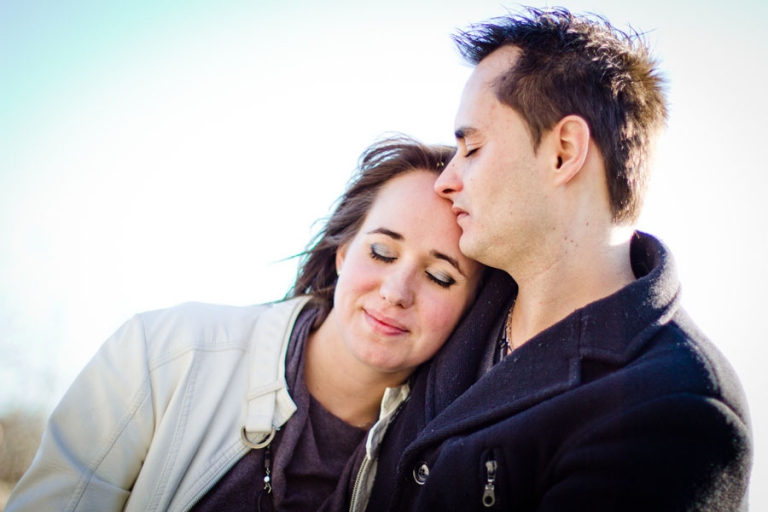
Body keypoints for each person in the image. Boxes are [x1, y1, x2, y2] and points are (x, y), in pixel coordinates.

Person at [367, 8, 752, 511]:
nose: (446, 180)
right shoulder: (453, 296)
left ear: (563, 152)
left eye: (473, 147)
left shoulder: (674, 406)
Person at [5, 135, 486, 511]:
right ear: (342, 253)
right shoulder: (164, 351)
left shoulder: (455, 456)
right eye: (381, 252)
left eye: (440, 277)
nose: (396, 291)